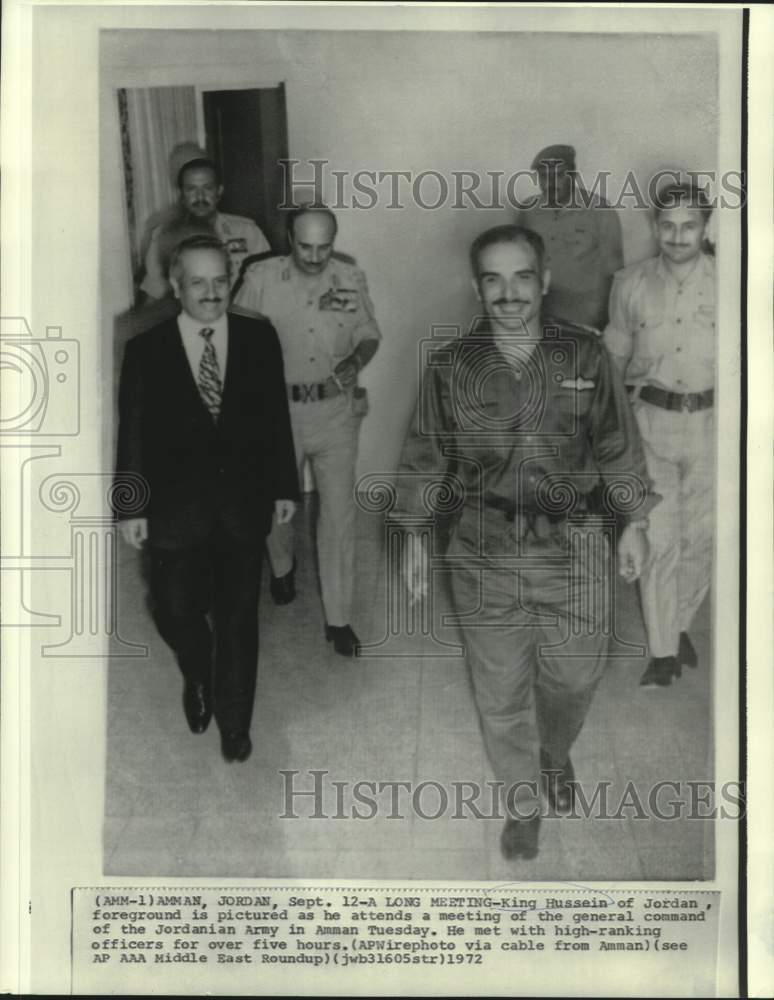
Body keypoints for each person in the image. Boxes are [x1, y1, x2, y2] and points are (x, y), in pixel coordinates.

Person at [392, 225, 655, 859]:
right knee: (500, 690)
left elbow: (618, 445)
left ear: (544, 281)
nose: (508, 293)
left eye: (521, 277)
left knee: (573, 675)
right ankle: (523, 798)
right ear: (476, 287)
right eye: (493, 279)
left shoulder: (585, 357)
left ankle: (553, 752)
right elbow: (427, 455)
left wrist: (636, 523)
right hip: (483, 542)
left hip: (577, 540)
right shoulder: (452, 364)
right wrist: (414, 537)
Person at [115, 235, 299, 762]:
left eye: (220, 280)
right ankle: (196, 670)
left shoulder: (258, 340)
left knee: (240, 618)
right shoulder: (146, 350)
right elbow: (134, 433)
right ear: (177, 286)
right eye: (198, 282)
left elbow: (274, 422)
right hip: (174, 510)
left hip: (243, 505)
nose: (212, 292)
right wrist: (131, 505)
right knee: (176, 611)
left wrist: (284, 487)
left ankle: (235, 725)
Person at [232, 205, 381, 657]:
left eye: (324, 247)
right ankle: (281, 568)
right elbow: (236, 336)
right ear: (288, 238)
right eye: (305, 246)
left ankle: (339, 619)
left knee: (339, 515)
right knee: (277, 503)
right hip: (278, 412)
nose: (314, 257)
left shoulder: (350, 278)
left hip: (336, 413)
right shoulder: (260, 278)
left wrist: (356, 361)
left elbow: (369, 333)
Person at [603, 181, 715, 688]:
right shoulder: (629, 284)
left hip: (714, 425)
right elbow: (615, 362)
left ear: (705, 227)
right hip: (650, 422)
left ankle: (678, 622)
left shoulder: (731, 283)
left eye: (688, 225)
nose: (677, 235)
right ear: (654, 226)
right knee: (660, 537)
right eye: (667, 225)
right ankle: (663, 651)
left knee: (703, 540)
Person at [517, 144, 623, 328]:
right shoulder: (528, 210)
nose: (550, 183)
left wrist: (607, 321)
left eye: (558, 175)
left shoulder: (601, 211)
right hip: (540, 316)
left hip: (586, 318)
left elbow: (615, 273)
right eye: (544, 176)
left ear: (573, 176)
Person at [140, 157, 270, 300]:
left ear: (219, 191)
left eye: (207, 188)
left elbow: (268, 285)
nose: (200, 196)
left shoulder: (247, 232)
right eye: (191, 189)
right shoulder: (164, 237)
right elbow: (154, 293)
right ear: (181, 194)